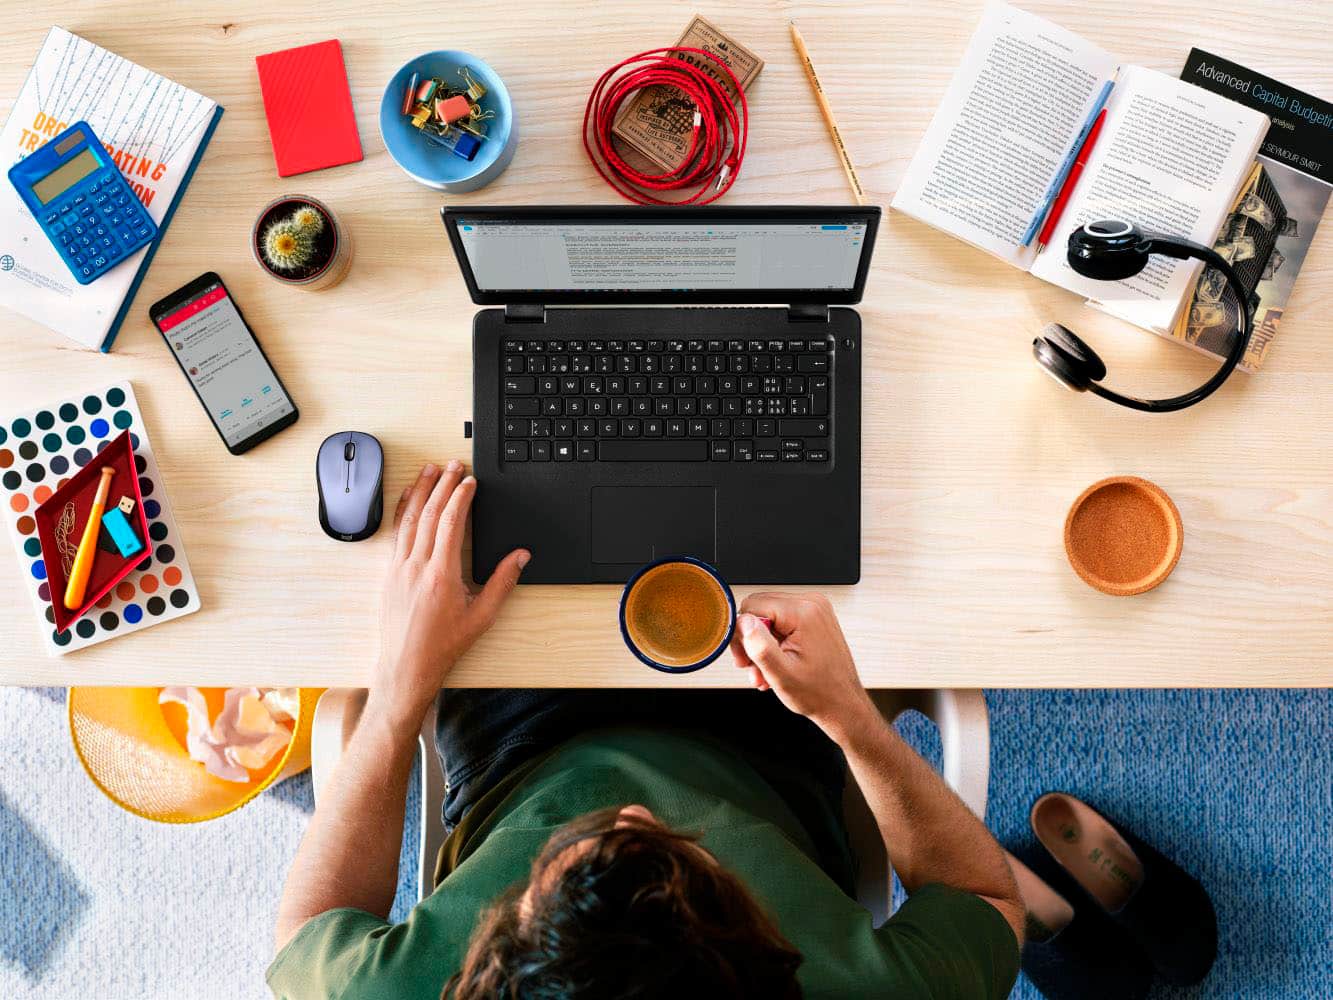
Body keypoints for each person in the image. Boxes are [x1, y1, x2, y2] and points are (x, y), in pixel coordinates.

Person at [269, 462, 1024, 999]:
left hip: (518, 753)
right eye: (692, 862)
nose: (633, 812)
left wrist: (400, 687)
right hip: (772, 762)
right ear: (769, 956)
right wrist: (848, 715)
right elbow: (989, 901)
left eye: (565, 865)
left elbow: (307, 930)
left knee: (499, 485)